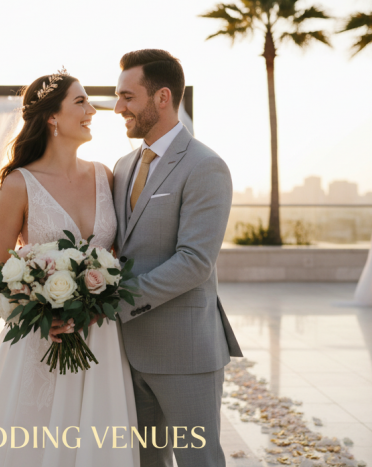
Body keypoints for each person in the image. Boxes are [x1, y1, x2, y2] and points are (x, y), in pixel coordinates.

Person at [0, 70, 140, 467]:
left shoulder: (104, 175)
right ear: (52, 117)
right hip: (44, 340)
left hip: (102, 336)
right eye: (81, 102)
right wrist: (42, 314)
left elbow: (115, 256)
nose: (93, 110)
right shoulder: (18, 185)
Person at [112, 49, 243, 467]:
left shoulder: (206, 166)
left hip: (185, 352)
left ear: (162, 97)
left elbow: (195, 261)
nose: (118, 108)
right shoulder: (122, 166)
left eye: (128, 97)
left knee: (198, 461)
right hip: (126, 352)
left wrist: (115, 303)